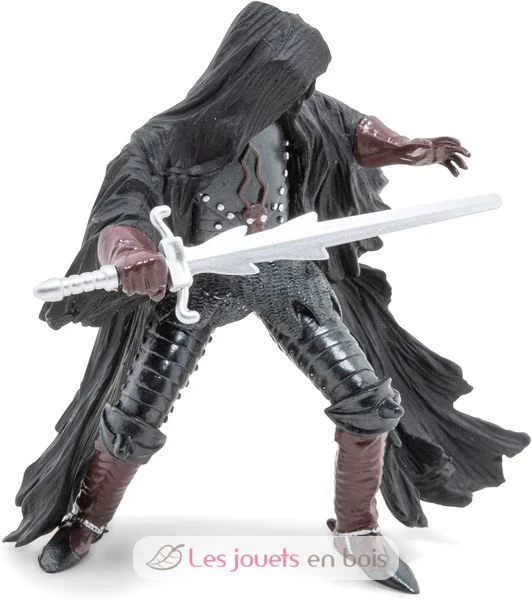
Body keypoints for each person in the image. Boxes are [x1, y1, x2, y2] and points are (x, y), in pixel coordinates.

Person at [4, 2, 529, 594]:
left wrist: (408, 148)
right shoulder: (165, 139)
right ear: (255, 75)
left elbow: (357, 132)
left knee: (368, 401)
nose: (305, 92)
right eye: (293, 80)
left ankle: (357, 528)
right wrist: (129, 253)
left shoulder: (301, 113)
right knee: (135, 414)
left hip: (287, 272)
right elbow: (124, 204)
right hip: (200, 284)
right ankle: (87, 519)